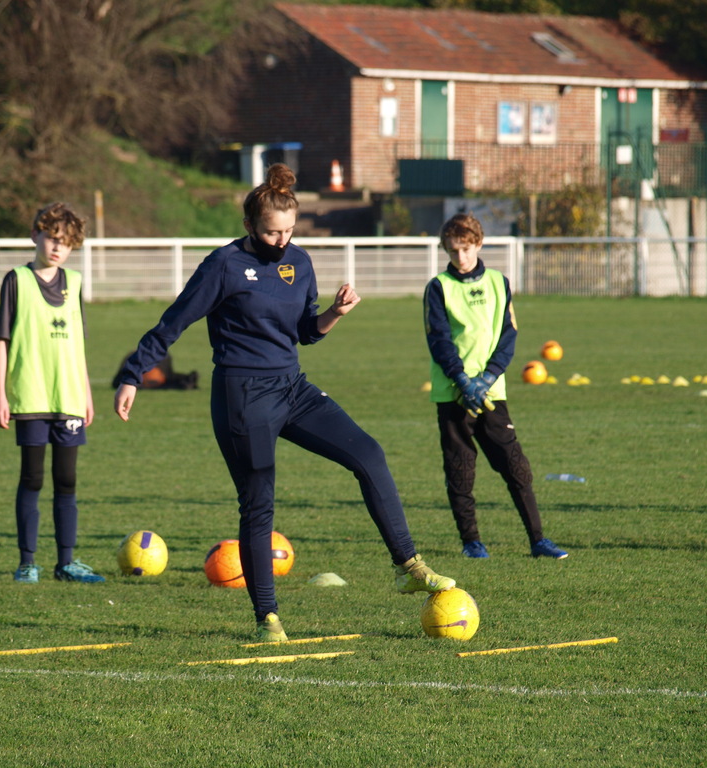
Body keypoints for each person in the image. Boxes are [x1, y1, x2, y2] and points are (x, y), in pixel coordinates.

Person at [114, 164, 455, 642]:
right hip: (242, 396)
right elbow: (174, 322)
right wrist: (133, 375)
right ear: (249, 225)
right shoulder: (224, 265)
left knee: (369, 454)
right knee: (259, 503)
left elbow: (304, 333)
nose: (282, 241)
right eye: (273, 232)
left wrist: (335, 313)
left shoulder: (300, 262)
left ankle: (408, 566)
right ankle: (267, 618)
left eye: (290, 231)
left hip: (292, 388)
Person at [423, 212, 567, 560]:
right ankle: (472, 542)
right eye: (453, 250)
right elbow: (439, 341)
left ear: (479, 244)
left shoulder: (498, 282)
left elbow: (508, 334)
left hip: (491, 393)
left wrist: (487, 378)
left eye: (466, 249)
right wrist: (462, 381)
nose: (460, 257)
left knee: (516, 467)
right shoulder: (439, 287)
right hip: (454, 395)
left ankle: (538, 540)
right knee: (460, 470)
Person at [0, 202, 105, 584]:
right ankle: (27, 563)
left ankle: (66, 563)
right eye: (52, 238)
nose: (58, 247)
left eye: (66, 242)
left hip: (69, 397)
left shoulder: (75, 283)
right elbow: (3, 340)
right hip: (31, 396)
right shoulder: (17, 280)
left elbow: (78, 344)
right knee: (33, 479)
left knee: (67, 480)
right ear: (35, 235)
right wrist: (0, 394)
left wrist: (86, 394)